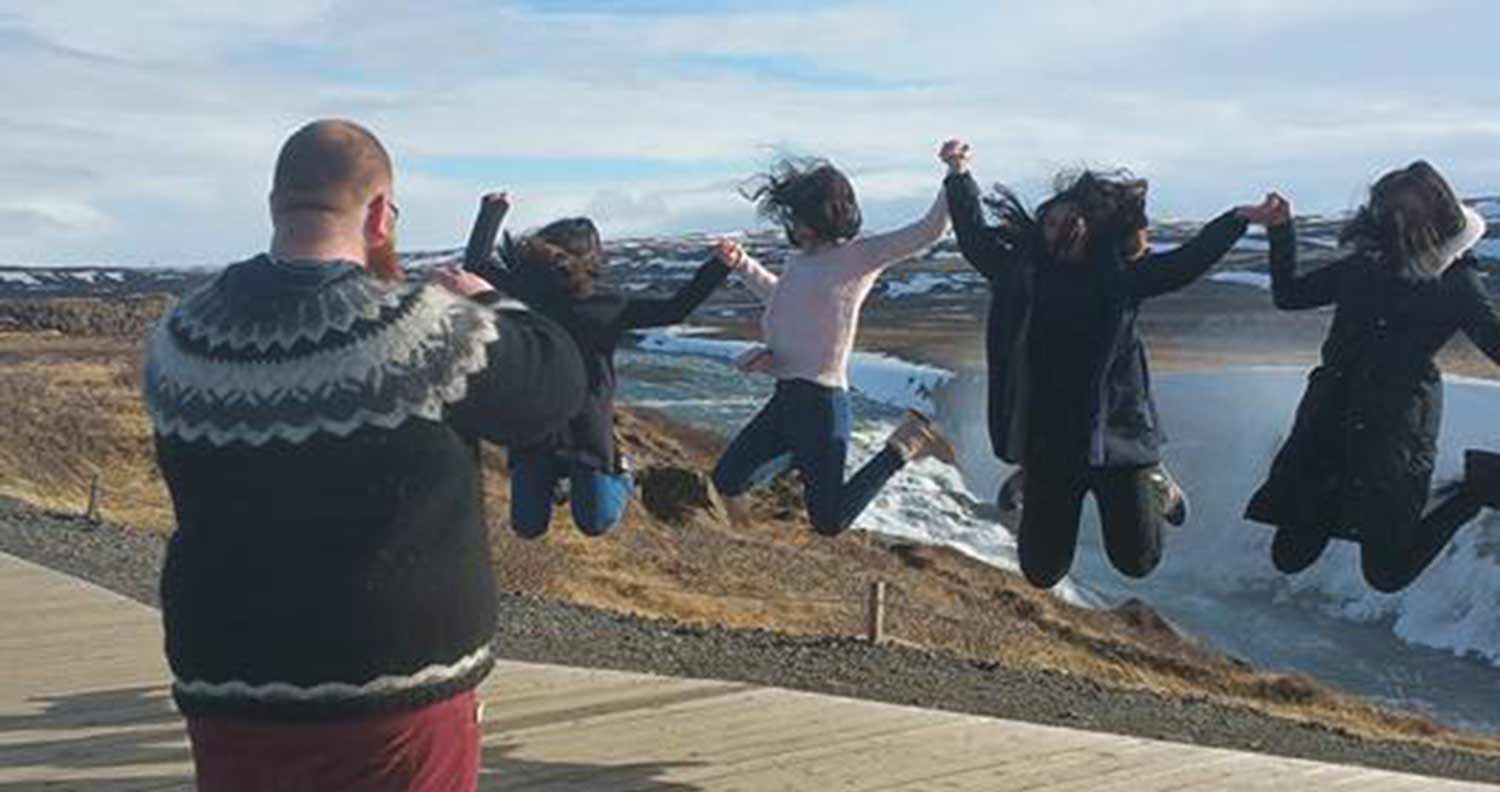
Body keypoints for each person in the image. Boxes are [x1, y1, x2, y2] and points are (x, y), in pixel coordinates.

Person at [143, 120, 588, 792]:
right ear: (380, 213)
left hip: (226, 688)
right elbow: (554, 389)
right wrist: (491, 300)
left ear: (276, 205)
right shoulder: (418, 331)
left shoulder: (180, 336)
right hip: (395, 700)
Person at [940, 138, 1283, 588]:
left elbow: (1188, 262)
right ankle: (1028, 478)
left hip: (1118, 440)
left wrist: (1239, 219)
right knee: (1042, 572)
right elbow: (971, 235)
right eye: (1051, 221)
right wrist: (958, 173)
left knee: (1136, 561)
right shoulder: (1019, 274)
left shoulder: (1120, 280)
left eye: (1070, 221)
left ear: (1093, 229)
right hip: (1049, 440)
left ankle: (1156, 482)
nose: (1058, 229)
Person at [1245, 161, 1500, 592]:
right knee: (1290, 554)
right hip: (1329, 415)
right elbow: (1290, 295)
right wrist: (1281, 229)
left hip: (1394, 426)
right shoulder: (1365, 264)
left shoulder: (1455, 280)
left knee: (1386, 572)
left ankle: (1477, 490)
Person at [711, 155, 958, 536]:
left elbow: (928, 231)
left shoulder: (859, 256)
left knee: (829, 521)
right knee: (727, 478)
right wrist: (741, 263)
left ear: (827, 213)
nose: (794, 225)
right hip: (787, 397)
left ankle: (907, 442)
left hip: (823, 404)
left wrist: (955, 175)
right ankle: (767, 515)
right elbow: (783, 299)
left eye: (800, 216)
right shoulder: (799, 261)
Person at [463, 191, 731, 538]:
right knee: (527, 527)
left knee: (595, 522)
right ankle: (559, 483)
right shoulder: (528, 291)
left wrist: (717, 268)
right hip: (534, 422)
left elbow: (674, 309)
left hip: (586, 424)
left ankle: (622, 474)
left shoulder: (607, 305)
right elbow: (477, 268)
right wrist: (492, 211)